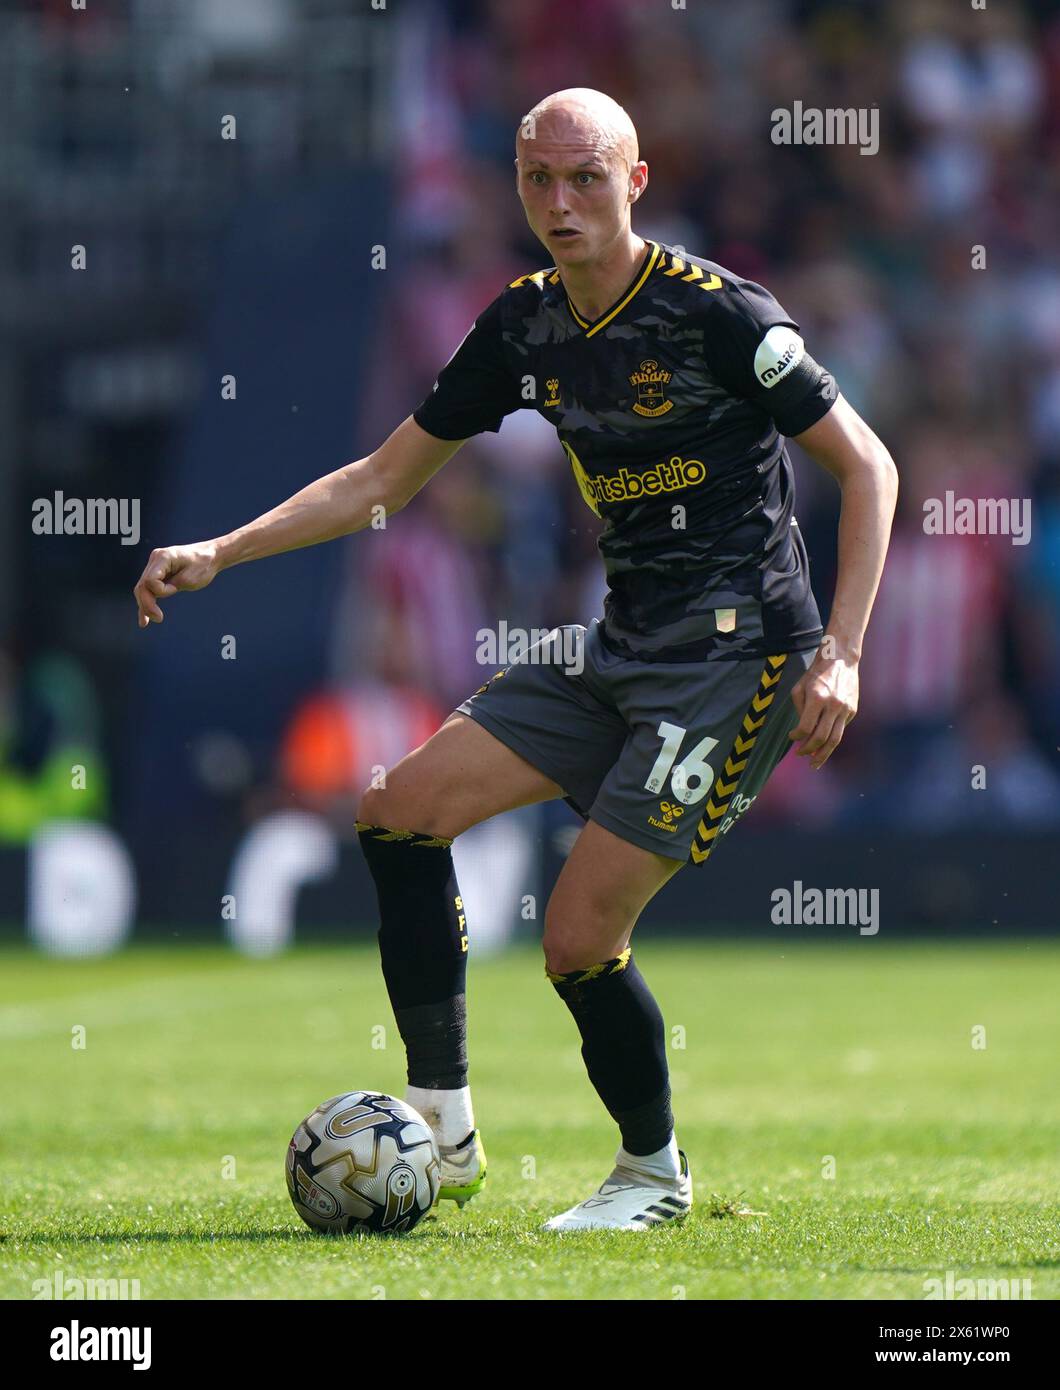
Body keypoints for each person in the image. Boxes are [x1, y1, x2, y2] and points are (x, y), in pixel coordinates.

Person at [133, 88, 898, 1232]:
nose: (558, 201)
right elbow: (381, 480)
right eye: (538, 178)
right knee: (397, 809)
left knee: (578, 938)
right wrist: (222, 550)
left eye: (585, 177)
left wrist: (838, 655)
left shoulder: (720, 316)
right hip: (621, 639)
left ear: (635, 182)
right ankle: (442, 1124)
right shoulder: (523, 325)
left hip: (736, 661)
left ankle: (652, 1174)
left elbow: (870, 467)